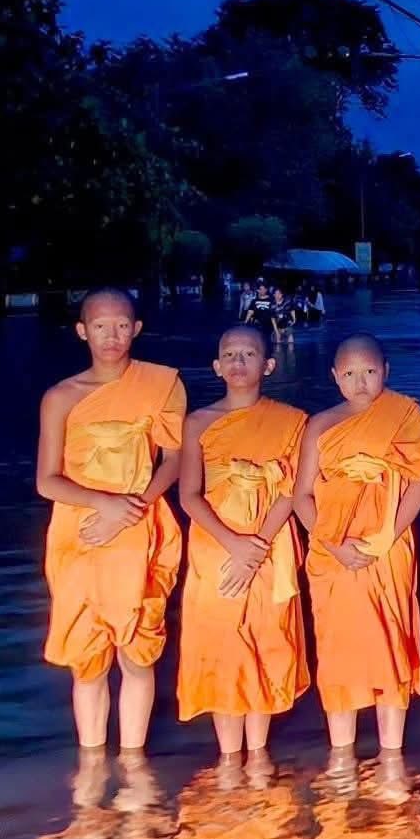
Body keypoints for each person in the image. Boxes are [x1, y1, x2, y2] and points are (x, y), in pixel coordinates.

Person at [35, 287, 185, 753]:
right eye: (100, 326)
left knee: (138, 652)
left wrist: (129, 509)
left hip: (142, 527)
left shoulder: (161, 384)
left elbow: (175, 461)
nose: (112, 336)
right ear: (83, 332)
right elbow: (47, 481)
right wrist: (102, 505)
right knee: (88, 657)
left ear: (136, 329)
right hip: (81, 535)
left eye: (122, 325)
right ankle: (93, 764)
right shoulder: (61, 396)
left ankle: (135, 763)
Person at [175, 324, 309, 765]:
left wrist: (258, 544)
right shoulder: (197, 423)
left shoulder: (292, 422)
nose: (238, 363)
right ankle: (230, 755)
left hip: (268, 546)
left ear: (268, 365)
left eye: (248, 355)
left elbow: (291, 490)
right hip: (216, 545)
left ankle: (259, 751)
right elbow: (188, 494)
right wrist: (234, 542)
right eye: (229, 355)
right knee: (222, 644)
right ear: (216, 366)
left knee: (265, 639)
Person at [293, 333, 420, 755]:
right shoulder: (319, 425)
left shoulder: (405, 415)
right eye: (350, 374)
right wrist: (333, 543)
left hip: (387, 549)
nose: (360, 382)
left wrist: (387, 537)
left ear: (386, 371)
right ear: (335, 377)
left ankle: (392, 753)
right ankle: (342, 753)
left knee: (390, 638)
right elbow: (301, 495)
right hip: (332, 551)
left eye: (370, 372)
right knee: (339, 648)